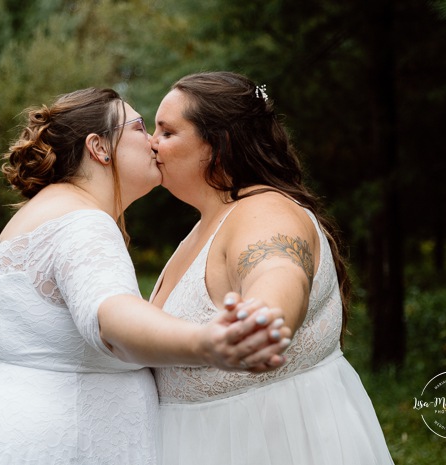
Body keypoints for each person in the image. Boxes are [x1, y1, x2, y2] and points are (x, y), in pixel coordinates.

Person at [0, 87, 291, 465]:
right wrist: (204, 343)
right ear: (100, 148)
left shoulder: (40, 215)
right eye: (140, 127)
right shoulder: (84, 223)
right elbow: (111, 315)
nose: (154, 142)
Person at [149, 72, 394, 464]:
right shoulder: (206, 224)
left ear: (218, 144)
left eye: (167, 132)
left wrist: (265, 318)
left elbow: (278, 268)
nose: (151, 143)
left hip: (268, 442)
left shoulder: (265, 211)